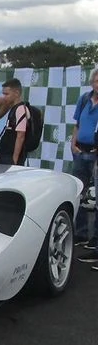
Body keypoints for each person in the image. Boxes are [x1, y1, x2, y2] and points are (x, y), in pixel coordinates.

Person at [71, 67, 98, 255]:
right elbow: (77, 124)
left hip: (96, 154)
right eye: (96, 81)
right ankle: (80, 233)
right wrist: (73, 144)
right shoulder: (83, 99)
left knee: (96, 199)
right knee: (79, 193)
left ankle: (95, 239)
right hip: (80, 151)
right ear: (91, 83)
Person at [0, 78, 29, 166]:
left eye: (6, 94)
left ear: (16, 93)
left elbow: (20, 135)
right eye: (3, 94)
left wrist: (14, 159)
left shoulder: (21, 109)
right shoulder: (14, 108)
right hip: (5, 155)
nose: (4, 97)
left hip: (10, 158)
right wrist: (0, 152)